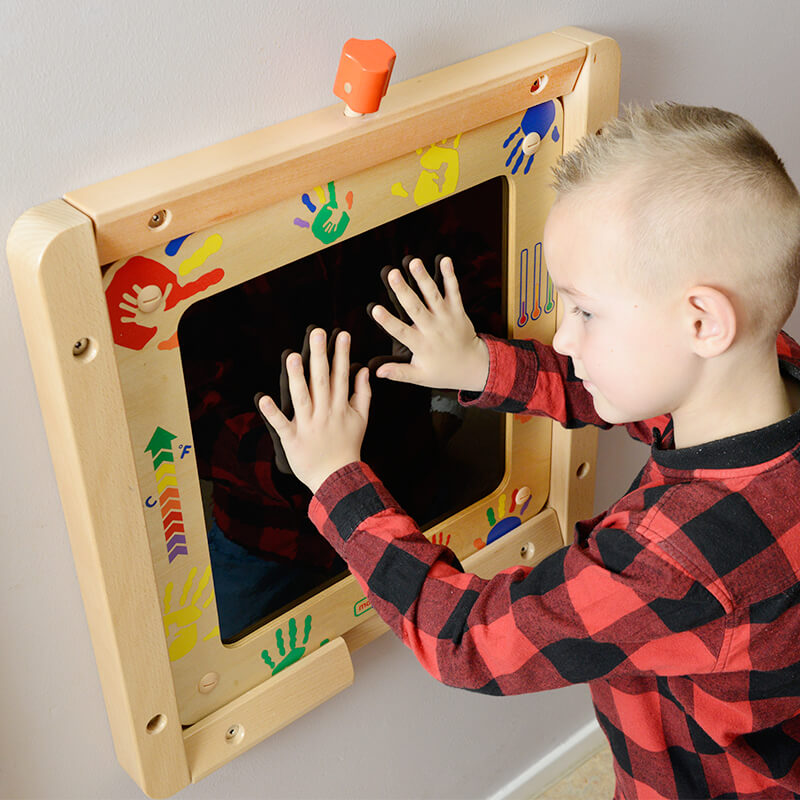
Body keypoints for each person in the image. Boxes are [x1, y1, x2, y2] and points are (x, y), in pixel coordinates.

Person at [257, 103, 800, 800]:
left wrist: (337, 480)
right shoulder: (765, 374)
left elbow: (470, 640)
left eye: (586, 311)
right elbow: (646, 402)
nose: (565, 338)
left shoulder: (678, 556)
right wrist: (481, 366)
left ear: (702, 322)